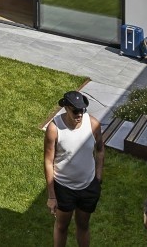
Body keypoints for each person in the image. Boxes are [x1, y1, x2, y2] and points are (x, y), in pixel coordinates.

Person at [44, 91, 105, 247]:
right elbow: (48, 161)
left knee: (83, 225)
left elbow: (100, 150)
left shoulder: (93, 125)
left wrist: (98, 178)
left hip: (88, 187)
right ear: (66, 108)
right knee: (61, 226)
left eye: (82, 110)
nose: (79, 114)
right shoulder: (54, 128)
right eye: (75, 110)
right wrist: (52, 196)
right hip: (64, 188)